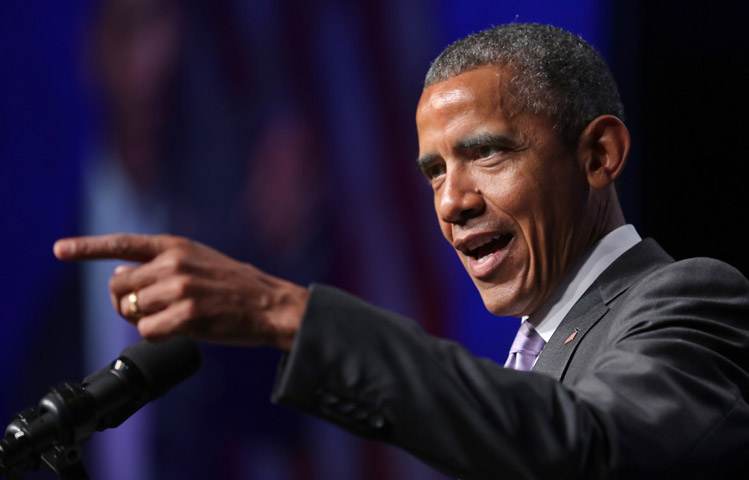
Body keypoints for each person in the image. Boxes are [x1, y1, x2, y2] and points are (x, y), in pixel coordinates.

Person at [54, 23, 749, 479]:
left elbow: (588, 451)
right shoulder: (534, 351)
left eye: (485, 154)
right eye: (435, 172)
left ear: (598, 155)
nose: (452, 202)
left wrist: (287, 311)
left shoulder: (690, 298)